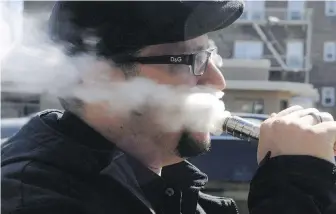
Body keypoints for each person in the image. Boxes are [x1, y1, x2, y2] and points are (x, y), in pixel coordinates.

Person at [2, 1, 336, 214]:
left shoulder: (170, 194)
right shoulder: (34, 199)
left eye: (209, 55)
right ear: (97, 77)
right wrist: (296, 186)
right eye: (189, 60)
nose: (217, 81)